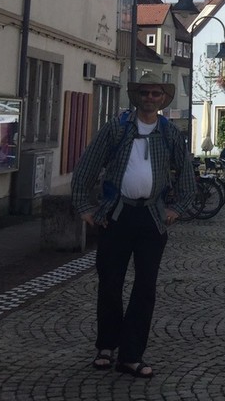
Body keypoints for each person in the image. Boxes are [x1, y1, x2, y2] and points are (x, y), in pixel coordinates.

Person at [71, 72, 196, 379]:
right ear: (136, 96)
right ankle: (106, 345)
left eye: (155, 94)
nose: (150, 98)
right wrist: (85, 207)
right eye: (145, 93)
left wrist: (175, 209)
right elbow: (86, 167)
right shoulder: (116, 128)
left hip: (152, 218)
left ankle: (131, 354)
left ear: (163, 99)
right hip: (116, 214)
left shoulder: (169, 133)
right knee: (110, 284)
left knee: (145, 289)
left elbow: (188, 179)